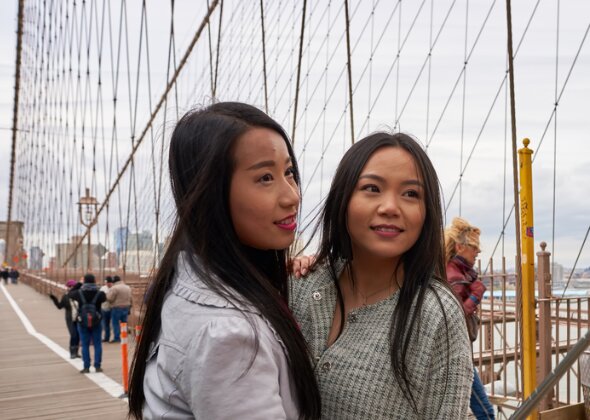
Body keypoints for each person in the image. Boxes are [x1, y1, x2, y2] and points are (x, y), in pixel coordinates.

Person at [127, 102, 321, 419]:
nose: (292, 196)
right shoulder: (228, 334)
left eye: (288, 172)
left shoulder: (188, 278)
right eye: (265, 178)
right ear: (211, 194)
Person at [290, 132, 473, 419]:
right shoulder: (301, 285)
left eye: (411, 194)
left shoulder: (435, 314)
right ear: (343, 198)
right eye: (372, 188)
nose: (390, 207)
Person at [445, 217, 495, 420]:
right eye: (474, 247)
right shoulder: (455, 276)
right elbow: (454, 316)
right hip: (455, 352)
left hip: (453, 351)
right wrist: (476, 295)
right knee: (485, 412)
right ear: (460, 247)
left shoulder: (455, 271)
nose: (478, 252)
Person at [71, 273, 106, 374]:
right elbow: (105, 299)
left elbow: (70, 294)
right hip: (97, 322)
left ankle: (86, 367)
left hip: (82, 322)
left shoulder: (79, 293)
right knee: (97, 344)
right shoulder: (100, 294)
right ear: (94, 281)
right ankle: (97, 366)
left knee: (85, 344)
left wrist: (79, 284)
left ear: (84, 281)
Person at [50, 279, 82, 358]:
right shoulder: (66, 296)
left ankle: (76, 352)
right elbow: (59, 306)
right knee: (73, 335)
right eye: (69, 286)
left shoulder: (79, 295)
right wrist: (54, 299)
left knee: (78, 335)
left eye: (72, 286)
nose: (70, 288)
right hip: (70, 319)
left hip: (78, 318)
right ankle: (72, 353)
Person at [107, 275, 131, 343]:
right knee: (124, 323)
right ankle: (124, 336)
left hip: (117, 307)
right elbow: (130, 298)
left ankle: (117, 338)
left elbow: (110, 298)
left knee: (115, 323)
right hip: (126, 307)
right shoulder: (127, 287)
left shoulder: (114, 288)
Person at [100, 276, 113, 342]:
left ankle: (114, 338)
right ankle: (106, 337)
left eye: (109, 283)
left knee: (113, 324)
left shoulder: (114, 288)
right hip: (104, 308)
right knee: (106, 324)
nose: (108, 284)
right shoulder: (103, 288)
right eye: (107, 283)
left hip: (112, 308)